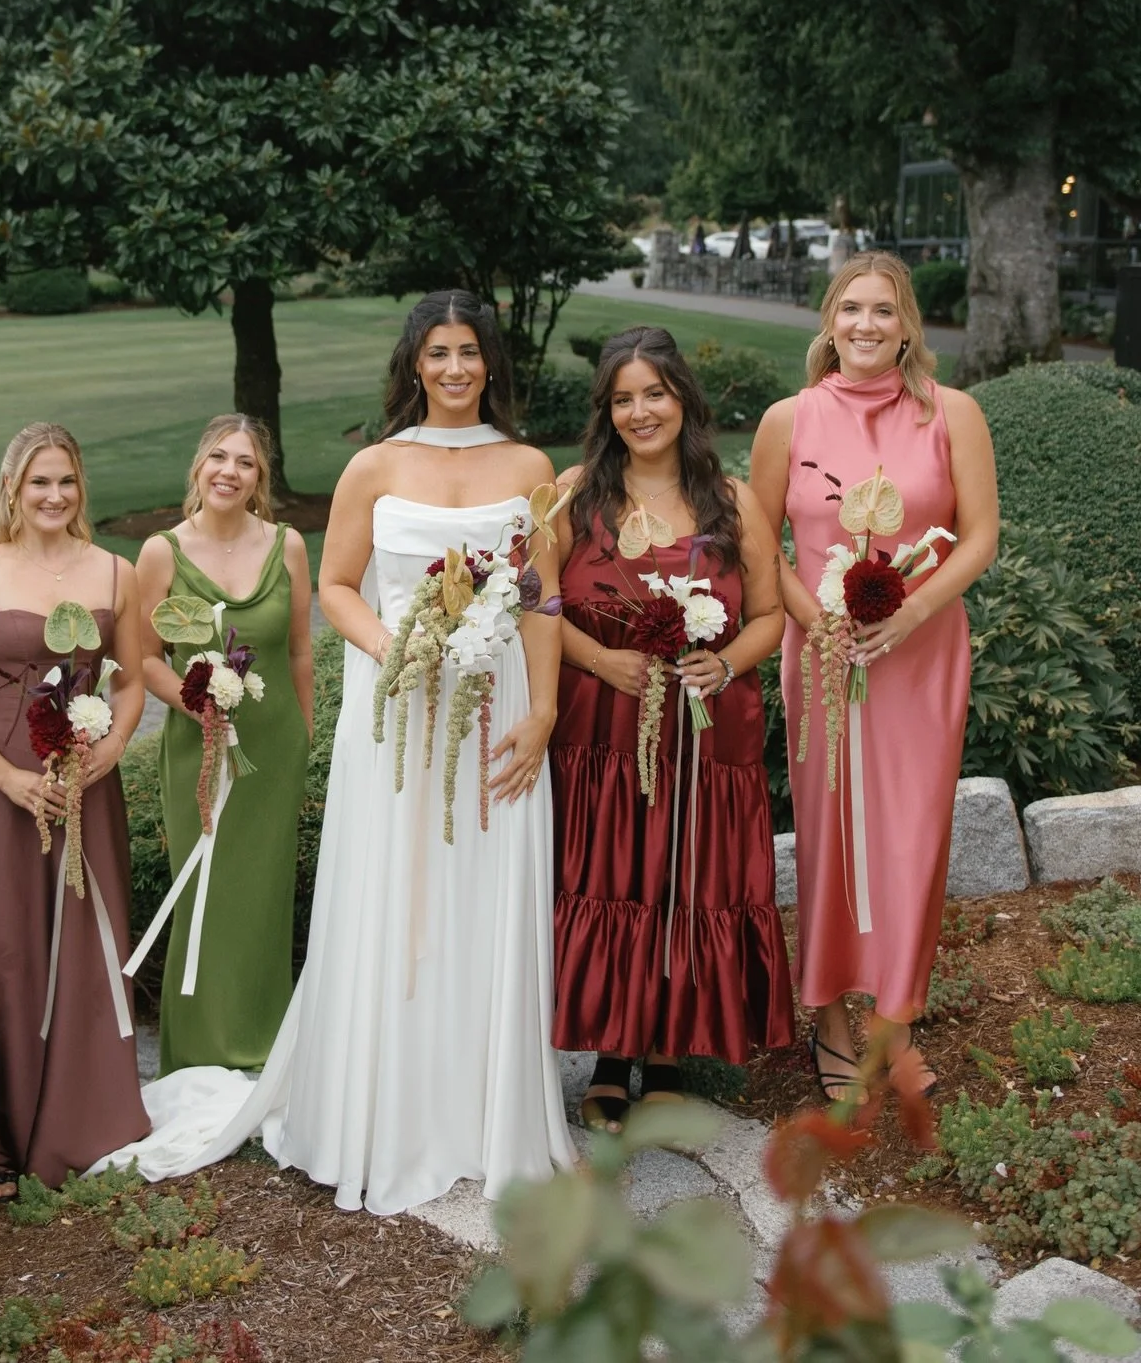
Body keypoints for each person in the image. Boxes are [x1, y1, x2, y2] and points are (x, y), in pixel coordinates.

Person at [96, 291, 573, 1212]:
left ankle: (484, 1111)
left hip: (496, 710)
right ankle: (385, 1107)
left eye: (470, 351)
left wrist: (545, 708)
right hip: (396, 714)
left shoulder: (527, 463)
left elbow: (541, 597)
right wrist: (403, 651)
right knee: (397, 899)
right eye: (437, 352)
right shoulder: (372, 465)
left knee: (483, 895)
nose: (455, 368)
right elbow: (342, 586)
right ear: (414, 363)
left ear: (490, 362)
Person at [750, 255, 999, 1100]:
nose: (865, 324)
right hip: (821, 657)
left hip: (920, 655)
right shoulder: (789, 420)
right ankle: (826, 1015)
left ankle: (894, 1023)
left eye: (882, 311)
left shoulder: (952, 413)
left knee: (911, 838)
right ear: (829, 320)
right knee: (828, 834)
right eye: (850, 308)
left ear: (907, 324)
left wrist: (911, 614)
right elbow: (762, 546)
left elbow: (979, 538)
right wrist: (813, 620)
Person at [551, 327, 793, 1130]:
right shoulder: (575, 492)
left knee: (680, 875)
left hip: (700, 730)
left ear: (683, 397)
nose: (639, 410)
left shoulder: (730, 498)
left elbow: (767, 615)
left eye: (653, 392)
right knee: (613, 875)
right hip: (602, 730)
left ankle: (665, 1050)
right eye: (622, 398)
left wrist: (723, 665)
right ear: (606, 410)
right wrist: (597, 659)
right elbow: (536, 603)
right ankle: (609, 1056)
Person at [0, 423, 150, 1198]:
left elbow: (132, 680)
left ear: (82, 488)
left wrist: (112, 745)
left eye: (68, 481)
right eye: (39, 481)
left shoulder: (116, 572)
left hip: (86, 790)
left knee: (85, 949)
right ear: (12, 487)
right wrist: (7, 781)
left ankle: (83, 1120)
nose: (54, 496)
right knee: (2, 952)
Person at [135, 414, 313, 1074]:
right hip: (198, 747)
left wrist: (305, 734)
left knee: (264, 898)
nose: (229, 471)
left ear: (258, 477)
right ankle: (201, 1052)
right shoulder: (161, 552)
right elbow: (145, 655)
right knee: (204, 890)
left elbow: (299, 649)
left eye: (244, 461)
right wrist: (195, 696)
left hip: (273, 748)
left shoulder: (288, 545)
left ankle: (264, 1046)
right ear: (198, 467)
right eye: (218, 457)